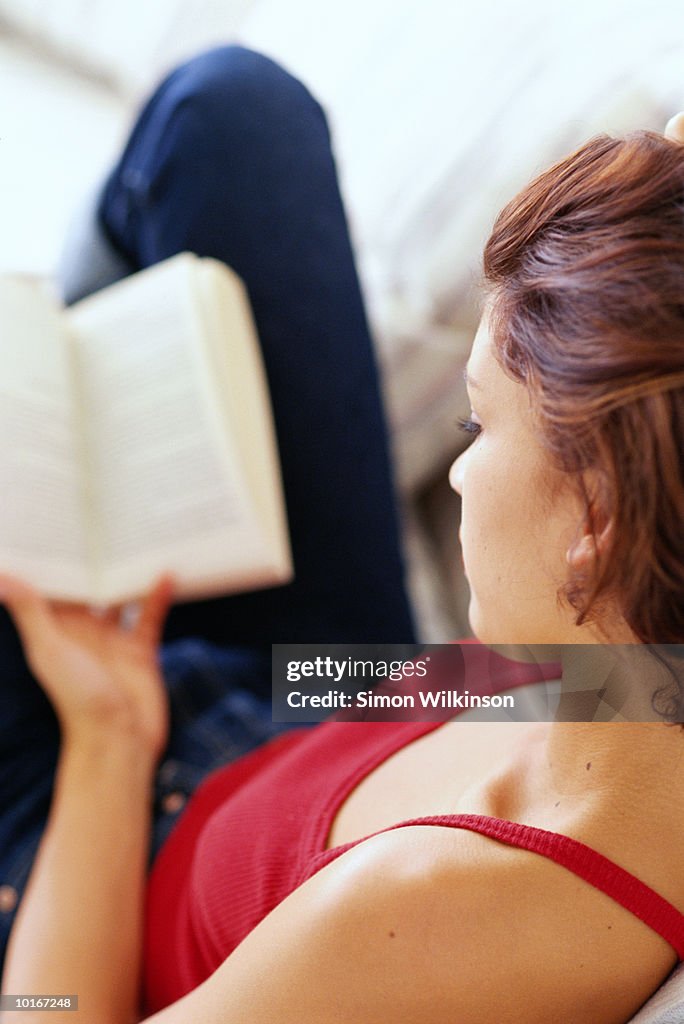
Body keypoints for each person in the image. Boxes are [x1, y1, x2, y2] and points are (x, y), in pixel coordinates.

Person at [0, 44, 683, 1024]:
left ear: (599, 519)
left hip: (86, 848)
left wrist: (110, 736)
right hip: (312, 709)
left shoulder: (434, 914)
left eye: (477, 424)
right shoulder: (630, 659)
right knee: (234, 112)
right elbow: (381, 704)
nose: (457, 470)